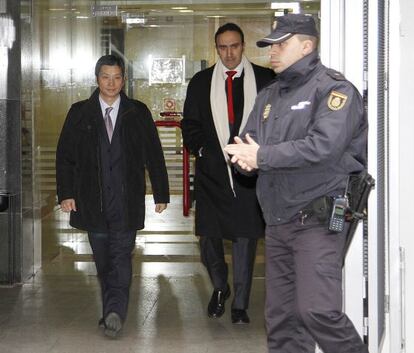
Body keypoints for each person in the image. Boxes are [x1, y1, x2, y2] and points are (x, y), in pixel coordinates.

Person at [225, 14, 369, 353]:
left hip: (317, 219)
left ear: (307, 45)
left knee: (317, 310)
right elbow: (252, 145)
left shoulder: (334, 89)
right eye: (271, 45)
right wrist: (245, 160)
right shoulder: (269, 96)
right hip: (277, 221)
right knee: (282, 319)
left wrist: (261, 156)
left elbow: (323, 147)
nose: (272, 51)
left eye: (281, 44)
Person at [56, 54, 169, 338]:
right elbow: (65, 157)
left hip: (126, 201)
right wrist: (66, 193)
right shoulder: (79, 112)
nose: (111, 83)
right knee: (104, 261)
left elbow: (153, 154)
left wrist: (161, 192)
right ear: (97, 79)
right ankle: (111, 310)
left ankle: (115, 312)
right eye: (106, 77)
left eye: (117, 77)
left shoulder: (137, 112)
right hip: (93, 202)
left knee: (121, 258)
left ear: (124, 80)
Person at [181, 23, 275, 324]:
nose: (229, 52)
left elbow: (275, 123)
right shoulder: (201, 81)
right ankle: (220, 287)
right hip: (212, 172)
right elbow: (190, 124)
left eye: (234, 46)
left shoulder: (265, 79)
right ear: (216, 48)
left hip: (249, 173)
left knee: (246, 238)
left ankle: (241, 305)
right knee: (208, 236)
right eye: (223, 47)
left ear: (243, 45)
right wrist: (202, 151)